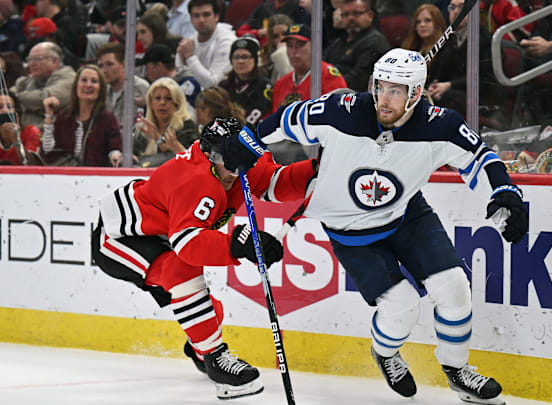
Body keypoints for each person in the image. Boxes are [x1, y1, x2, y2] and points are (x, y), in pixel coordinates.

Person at [221, 48, 528, 404]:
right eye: (380, 87)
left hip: (406, 216)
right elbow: (290, 117)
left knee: (454, 287)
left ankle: (457, 371)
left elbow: (481, 157)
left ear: (415, 94)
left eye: (396, 91)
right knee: (402, 307)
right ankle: (385, 354)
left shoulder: (440, 125)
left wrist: (505, 192)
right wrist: (250, 140)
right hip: (351, 232)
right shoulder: (343, 112)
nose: (384, 98)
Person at [90, 117, 316, 400]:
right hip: (118, 239)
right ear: (209, 155)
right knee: (181, 271)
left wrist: (318, 169)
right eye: (227, 159)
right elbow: (188, 245)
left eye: (243, 156)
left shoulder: (237, 160)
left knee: (209, 312)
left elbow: (274, 181)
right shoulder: (195, 178)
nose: (236, 169)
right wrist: (240, 244)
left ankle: (200, 349)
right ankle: (215, 359)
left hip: (161, 233)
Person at [40, 64, 122, 167]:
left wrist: (115, 154)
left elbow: (115, 147)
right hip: (64, 176)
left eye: (94, 81)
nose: (88, 85)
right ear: (76, 85)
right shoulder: (65, 116)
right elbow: (49, 152)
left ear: (101, 88)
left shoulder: (107, 117)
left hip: (96, 177)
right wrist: (49, 116)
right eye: (84, 80)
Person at [272, 24, 348, 112]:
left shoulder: (329, 76)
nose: (293, 52)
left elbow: (340, 114)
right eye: (290, 46)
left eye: (300, 45)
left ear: (314, 46)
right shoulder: (281, 84)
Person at [324, 0, 390, 92]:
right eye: (346, 14)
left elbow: (359, 79)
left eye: (356, 13)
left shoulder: (375, 41)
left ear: (370, 15)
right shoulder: (339, 42)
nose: (351, 18)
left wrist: (326, 85)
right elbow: (323, 66)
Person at [134, 77, 198, 167]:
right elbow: (133, 155)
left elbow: (195, 162)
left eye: (168, 98)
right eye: (157, 98)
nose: (162, 103)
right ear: (151, 103)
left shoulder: (187, 127)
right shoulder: (142, 129)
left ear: (177, 103)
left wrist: (159, 139)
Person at [11, 41, 75, 128]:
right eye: (29, 59)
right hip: (23, 132)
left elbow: (43, 98)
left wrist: (16, 98)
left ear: (54, 61)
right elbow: (8, 96)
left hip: (50, 134)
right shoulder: (26, 80)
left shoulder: (70, 78)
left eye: (37, 59)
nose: (31, 64)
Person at [176, 0, 237, 89]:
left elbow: (214, 85)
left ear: (216, 17)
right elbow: (180, 80)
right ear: (191, 19)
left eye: (206, 15)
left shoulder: (227, 41)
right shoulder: (189, 42)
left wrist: (190, 57)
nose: (201, 20)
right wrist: (182, 61)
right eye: (196, 16)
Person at [219, 35, 273, 125]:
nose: (240, 61)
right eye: (236, 57)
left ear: (255, 60)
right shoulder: (224, 86)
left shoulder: (264, 85)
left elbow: (259, 113)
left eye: (245, 57)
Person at [97, 42, 150, 133]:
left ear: (123, 64)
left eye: (110, 64)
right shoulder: (103, 90)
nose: (104, 70)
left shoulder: (140, 88)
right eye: (101, 65)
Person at [138, 43, 202, 109]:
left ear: (158, 66)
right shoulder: (156, 87)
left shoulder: (189, 84)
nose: (146, 73)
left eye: (147, 68)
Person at [0, 92, 41, 165]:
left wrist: (16, 141)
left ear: (17, 112)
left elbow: (33, 165)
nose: (5, 111)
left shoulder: (30, 132)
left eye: (9, 107)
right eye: (0, 107)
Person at [259, 13, 293, 84]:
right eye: (276, 36)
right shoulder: (264, 55)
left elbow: (289, 79)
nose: (281, 38)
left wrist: (281, 52)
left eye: (285, 33)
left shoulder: (301, 55)